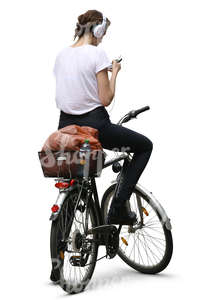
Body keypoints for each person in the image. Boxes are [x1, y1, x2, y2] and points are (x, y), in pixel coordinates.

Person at [53, 9, 153, 225]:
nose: (103, 37)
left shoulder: (61, 55)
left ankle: (60, 246)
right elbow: (106, 98)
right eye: (104, 32)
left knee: (76, 175)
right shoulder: (97, 53)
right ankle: (117, 208)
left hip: (66, 128)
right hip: (95, 127)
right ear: (97, 29)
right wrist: (114, 71)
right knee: (145, 146)